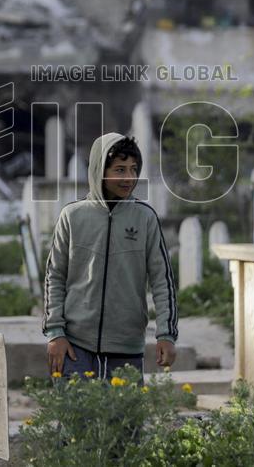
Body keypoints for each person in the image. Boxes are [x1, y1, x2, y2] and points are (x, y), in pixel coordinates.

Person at [43, 133, 178, 381]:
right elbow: (55, 276)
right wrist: (55, 333)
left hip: (127, 345)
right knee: (76, 407)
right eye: (120, 170)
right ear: (99, 171)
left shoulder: (145, 218)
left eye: (133, 169)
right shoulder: (72, 216)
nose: (129, 178)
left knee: (124, 408)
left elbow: (162, 281)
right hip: (74, 344)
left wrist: (166, 334)